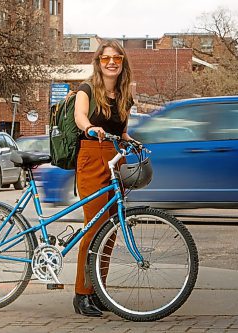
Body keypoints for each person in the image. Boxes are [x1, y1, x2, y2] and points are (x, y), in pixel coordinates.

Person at [73, 39, 136, 317]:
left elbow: (121, 131)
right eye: (106, 58)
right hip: (91, 155)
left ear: (123, 63)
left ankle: (98, 289)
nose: (111, 62)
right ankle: (81, 293)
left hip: (114, 157)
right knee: (95, 225)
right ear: (98, 62)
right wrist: (90, 128)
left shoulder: (125, 96)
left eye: (117, 58)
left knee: (110, 228)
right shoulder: (86, 89)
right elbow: (80, 117)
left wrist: (131, 141)